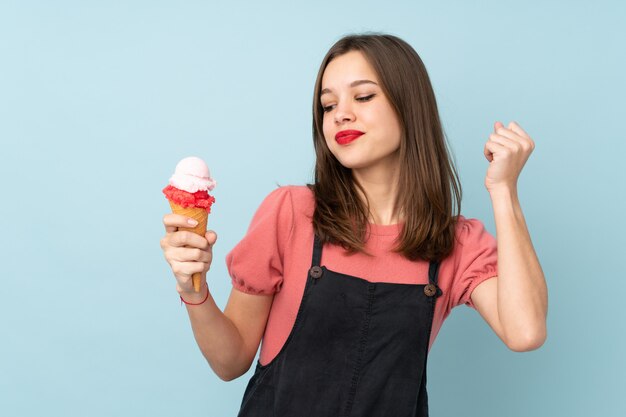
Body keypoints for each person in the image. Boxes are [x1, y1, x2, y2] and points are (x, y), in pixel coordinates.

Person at [160, 33, 548, 416]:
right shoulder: (292, 213)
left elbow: (525, 332)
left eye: (363, 97)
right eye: (328, 106)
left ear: (409, 107)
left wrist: (504, 191)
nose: (341, 113)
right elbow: (230, 363)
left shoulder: (456, 243)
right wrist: (193, 290)